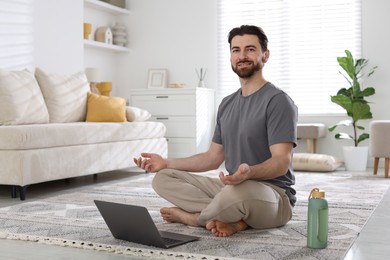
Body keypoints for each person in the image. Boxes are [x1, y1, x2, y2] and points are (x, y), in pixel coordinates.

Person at [134, 25, 298, 237]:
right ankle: (235, 219)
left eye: (250, 49)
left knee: (235, 195)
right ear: (230, 56)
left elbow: (281, 161)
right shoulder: (226, 104)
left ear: (265, 55)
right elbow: (212, 158)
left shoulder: (278, 101)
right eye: (236, 50)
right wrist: (166, 162)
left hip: (273, 196)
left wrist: (250, 172)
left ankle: (195, 218)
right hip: (232, 188)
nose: (242, 56)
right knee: (163, 179)